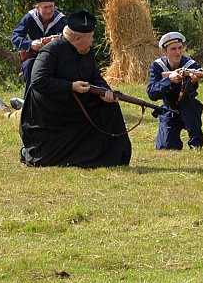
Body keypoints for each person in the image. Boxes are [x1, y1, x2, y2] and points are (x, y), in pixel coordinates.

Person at [19, 10, 131, 167]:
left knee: (108, 107)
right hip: (51, 114)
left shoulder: (86, 50)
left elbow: (95, 76)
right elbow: (38, 81)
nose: (92, 41)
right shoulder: (51, 51)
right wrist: (71, 86)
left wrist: (106, 91)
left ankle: (107, 156)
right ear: (77, 38)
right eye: (90, 37)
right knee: (46, 160)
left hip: (75, 106)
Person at [146, 31, 203, 150]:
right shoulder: (157, 66)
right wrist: (169, 80)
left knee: (190, 106)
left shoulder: (191, 65)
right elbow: (152, 93)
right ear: (163, 51)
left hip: (188, 108)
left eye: (180, 48)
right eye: (173, 49)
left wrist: (192, 82)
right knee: (166, 148)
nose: (178, 52)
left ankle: (196, 144)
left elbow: (191, 92)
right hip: (169, 108)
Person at [11, 0, 68, 86]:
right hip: (34, 55)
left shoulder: (61, 20)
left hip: (55, 57)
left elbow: (68, 39)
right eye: (45, 7)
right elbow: (16, 36)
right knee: (29, 67)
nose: (49, 11)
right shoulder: (29, 18)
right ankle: (29, 98)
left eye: (51, 6)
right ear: (37, 8)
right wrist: (30, 44)